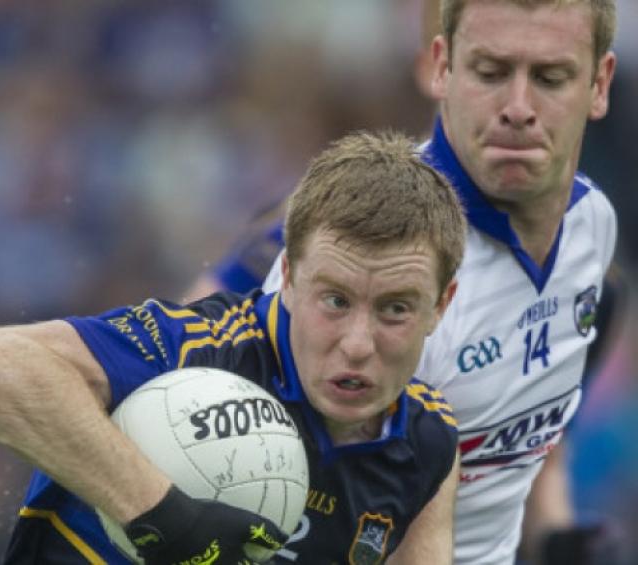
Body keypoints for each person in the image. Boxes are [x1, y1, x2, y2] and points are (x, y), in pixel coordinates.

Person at [190, 1, 621, 564]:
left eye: (550, 77)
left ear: (599, 83)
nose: (519, 108)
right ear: (440, 66)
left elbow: (526, 430)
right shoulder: (369, 256)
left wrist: (557, 536)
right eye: (491, 72)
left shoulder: (593, 229)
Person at [0, 130, 468, 564]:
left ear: (441, 305)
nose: (357, 344)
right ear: (285, 276)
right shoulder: (199, 347)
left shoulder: (428, 442)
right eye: (334, 300)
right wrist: (164, 515)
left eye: (395, 309)